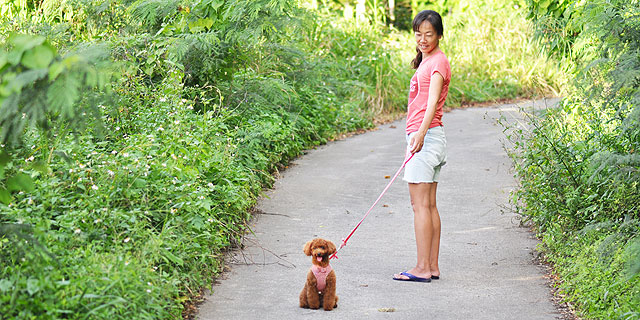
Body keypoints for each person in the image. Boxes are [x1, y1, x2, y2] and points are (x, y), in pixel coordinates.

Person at [393, 10, 450, 283]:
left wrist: (420, 135)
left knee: (420, 207)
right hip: (430, 138)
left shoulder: (438, 63)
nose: (423, 39)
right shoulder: (427, 60)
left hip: (425, 139)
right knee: (429, 205)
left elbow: (432, 103)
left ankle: (421, 268)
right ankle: (432, 266)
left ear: (439, 35)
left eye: (429, 34)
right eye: (419, 34)